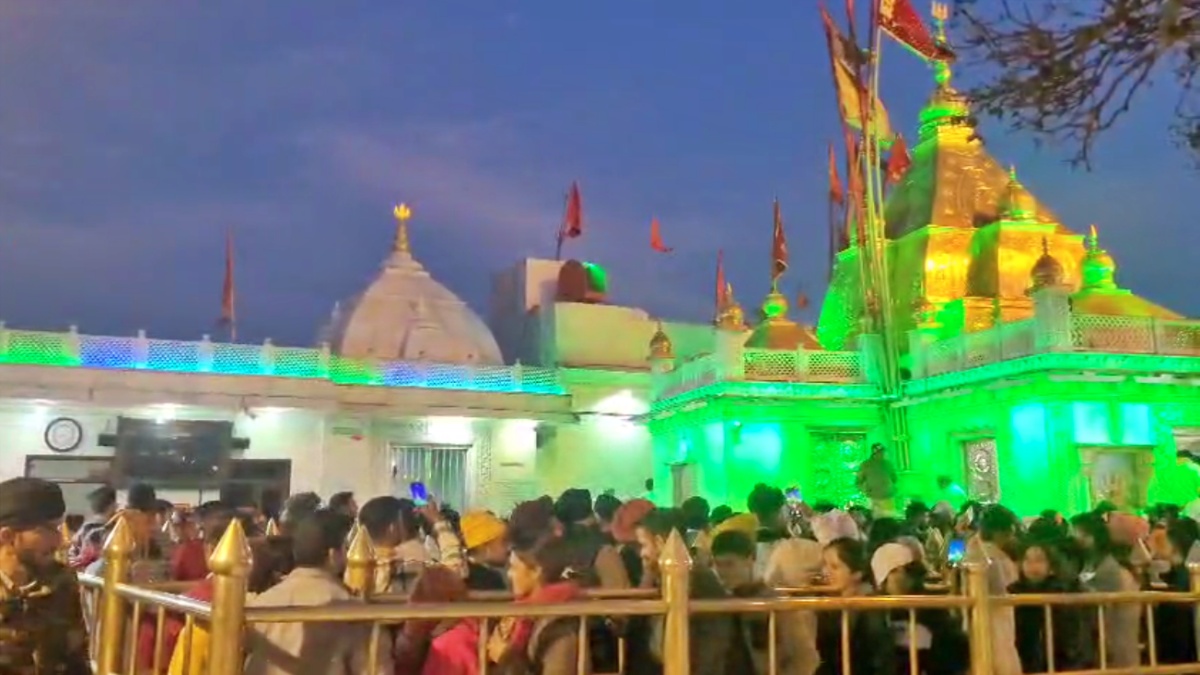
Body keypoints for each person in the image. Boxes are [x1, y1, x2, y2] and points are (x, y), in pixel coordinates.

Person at [0, 477, 92, 675]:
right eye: (46, 530)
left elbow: (76, 659)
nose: (59, 541)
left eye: (58, 528)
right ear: (7, 536)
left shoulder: (61, 580)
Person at [458, 511, 509, 591]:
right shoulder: (490, 581)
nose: (509, 547)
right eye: (504, 542)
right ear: (484, 546)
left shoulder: (458, 573)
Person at [855, 443, 898, 516]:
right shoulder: (866, 465)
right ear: (874, 453)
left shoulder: (888, 464)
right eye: (880, 452)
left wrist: (891, 488)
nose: (882, 454)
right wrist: (865, 490)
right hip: (873, 498)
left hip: (888, 497)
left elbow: (894, 478)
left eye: (883, 452)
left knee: (889, 519)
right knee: (874, 519)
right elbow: (858, 482)